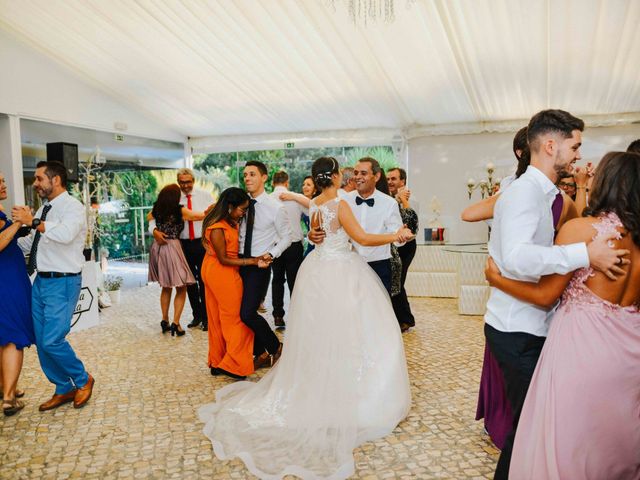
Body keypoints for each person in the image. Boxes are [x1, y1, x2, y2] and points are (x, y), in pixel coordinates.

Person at [198, 156, 414, 480]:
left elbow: (317, 235)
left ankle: (321, 385)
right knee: (354, 333)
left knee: (320, 335)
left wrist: (319, 238)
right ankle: (354, 395)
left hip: (319, 273)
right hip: (341, 271)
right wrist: (395, 235)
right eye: (344, 172)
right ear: (337, 176)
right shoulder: (340, 205)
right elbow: (364, 239)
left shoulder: (314, 204)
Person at [483, 110, 628, 479]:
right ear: (551, 145)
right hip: (516, 329)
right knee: (529, 427)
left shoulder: (545, 194)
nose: (578, 154)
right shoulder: (523, 194)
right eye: (574, 145)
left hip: (533, 324)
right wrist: (584, 254)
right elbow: (516, 258)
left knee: (534, 425)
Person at [13, 161, 95, 411]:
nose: (35, 183)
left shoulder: (73, 207)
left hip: (64, 281)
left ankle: (83, 379)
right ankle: (63, 386)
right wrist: (8, 240)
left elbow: (65, 234)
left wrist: (33, 221)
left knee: (52, 340)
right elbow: (32, 244)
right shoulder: (44, 209)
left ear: (55, 179)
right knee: (41, 340)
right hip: (40, 282)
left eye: (39, 179)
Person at [201, 187, 269, 380]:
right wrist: (253, 261)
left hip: (215, 270)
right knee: (235, 319)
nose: (244, 213)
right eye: (241, 209)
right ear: (230, 207)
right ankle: (235, 365)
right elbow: (224, 259)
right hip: (222, 272)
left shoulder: (224, 218)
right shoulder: (217, 227)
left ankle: (218, 361)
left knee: (217, 317)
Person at [239, 161, 291, 369]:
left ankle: (276, 347)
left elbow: (288, 237)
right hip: (238, 263)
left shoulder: (275, 207)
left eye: (252, 174)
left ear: (264, 178)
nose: (247, 178)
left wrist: (272, 254)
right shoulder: (241, 204)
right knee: (239, 313)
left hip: (259, 266)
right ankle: (260, 352)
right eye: (244, 175)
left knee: (248, 313)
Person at [151, 169, 213, 331]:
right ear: (178, 182)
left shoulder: (205, 196)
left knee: (204, 280)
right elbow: (152, 219)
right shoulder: (173, 198)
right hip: (181, 245)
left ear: (193, 180)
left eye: (188, 182)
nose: (185, 185)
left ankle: (207, 318)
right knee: (188, 282)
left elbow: (210, 217)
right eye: (182, 182)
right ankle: (197, 316)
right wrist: (154, 231)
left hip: (201, 243)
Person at [0, 172, 34, 416]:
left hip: (9, 276)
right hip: (6, 280)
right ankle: (9, 399)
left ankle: (5, 387)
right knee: (13, 336)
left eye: (3, 180)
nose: (4, 184)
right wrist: (19, 223)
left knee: (3, 335)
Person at [269, 171, 305, 328]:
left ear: (272, 183)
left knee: (277, 280)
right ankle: (297, 315)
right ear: (287, 182)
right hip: (294, 245)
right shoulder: (295, 198)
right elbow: (312, 209)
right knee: (294, 281)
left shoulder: (268, 199)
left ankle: (278, 315)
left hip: (275, 246)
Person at [387, 167, 418, 332]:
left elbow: (412, 226)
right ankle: (402, 318)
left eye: (394, 178)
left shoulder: (415, 199)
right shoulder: (386, 199)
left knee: (397, 281)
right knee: (395, 281)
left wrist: (403, 201)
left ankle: (405, 320)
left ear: (403, 181)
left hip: (406, 247)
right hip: (391, 245)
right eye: (388, 179)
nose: (390, 181)